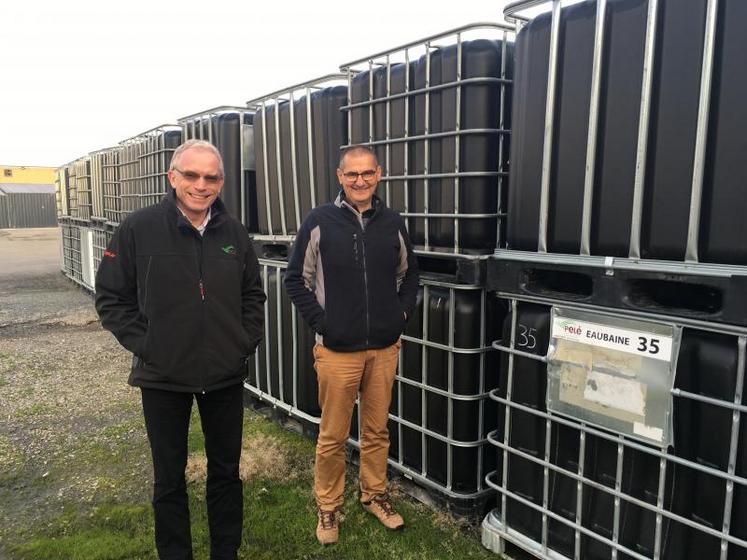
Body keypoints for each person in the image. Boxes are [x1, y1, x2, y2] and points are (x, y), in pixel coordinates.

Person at [95, 139, 266, 560]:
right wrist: (150, 346)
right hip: (163, 376)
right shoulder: (138, 228)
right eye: (191, 175)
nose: (200, 185)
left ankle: (226, 552)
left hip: (224, 375)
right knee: (169, 478)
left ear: (221, 182)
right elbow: (112, 298)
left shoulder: (234, 234)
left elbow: (253, 296)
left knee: (225, 474)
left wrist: (243, 342)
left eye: (210, 177)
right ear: (172, 177)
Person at [285, 144, 419, 545]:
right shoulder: (319, 221)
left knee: (377, 429)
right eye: (351, 174)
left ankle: (374, 494)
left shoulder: (392, 222)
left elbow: (409, 275)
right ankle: (328, 505)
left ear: (379, 175)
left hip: (383, 349)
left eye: (367, 173)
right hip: (336, 351)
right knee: (333, 434)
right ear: (340, 177)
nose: (360, 181)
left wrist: (400, 316)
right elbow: (296, 280)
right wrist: (325, 323)